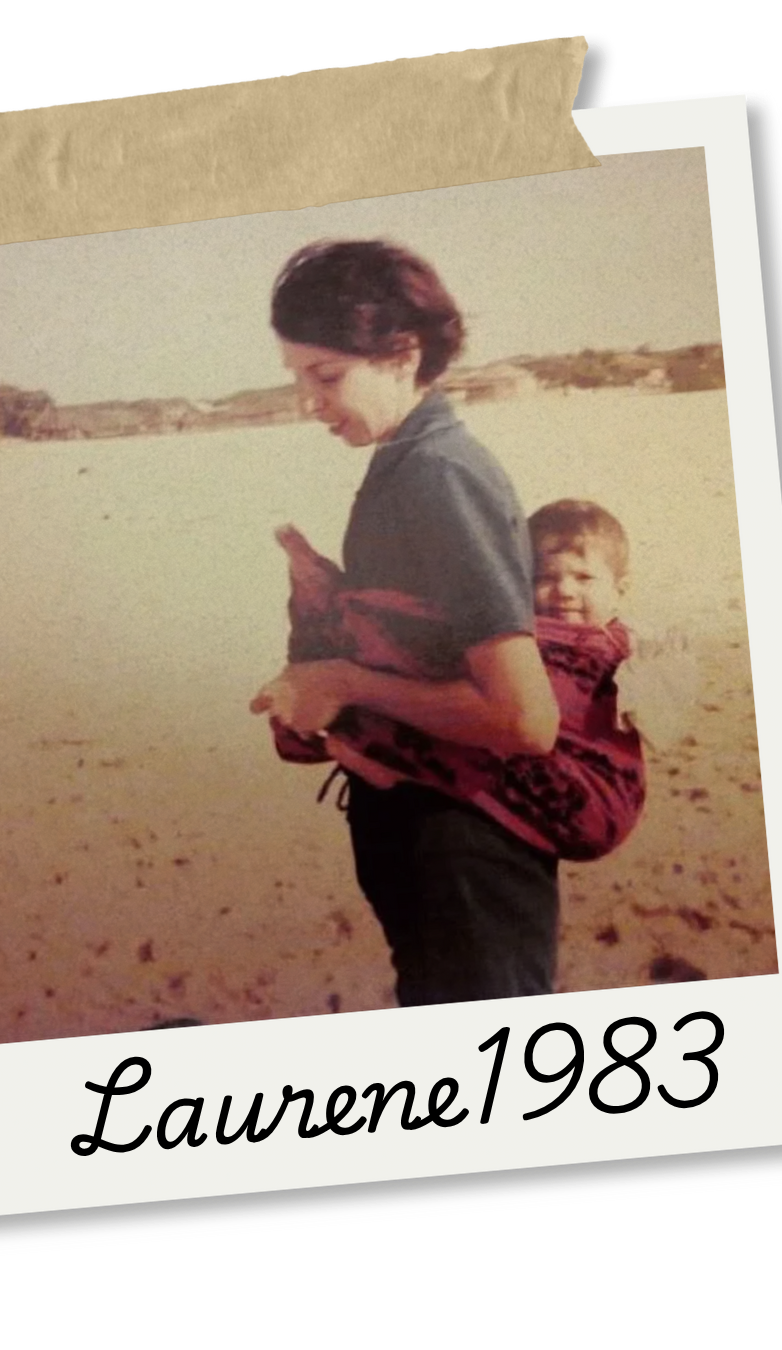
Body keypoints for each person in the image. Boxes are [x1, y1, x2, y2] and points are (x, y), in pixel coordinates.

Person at [249, 239, 561, 1007]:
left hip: (465, 853)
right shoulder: (405, 465)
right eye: (298, 378)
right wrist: (329, 602)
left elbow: (525, 718)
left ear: (401, 354)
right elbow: (431, 644)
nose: (307, 402)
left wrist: (342, 679)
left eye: (326, 376)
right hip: (436, 847)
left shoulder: (438, 475)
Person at [266, 499, 646, 863]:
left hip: (590, 801)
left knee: (455, 710)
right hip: (574, 802)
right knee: (445, 705)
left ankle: (360, 746)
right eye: (544, 578)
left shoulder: (596, 651)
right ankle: (373, 753)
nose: (563, 590)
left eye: (583, 578)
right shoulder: (542, 638)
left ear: (621, 590)